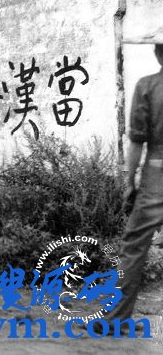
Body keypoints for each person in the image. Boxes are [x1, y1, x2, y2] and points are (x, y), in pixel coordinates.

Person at [101, 43, 163, 334]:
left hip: (157, 175)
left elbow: (137, 141)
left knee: (134, 247)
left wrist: (130, 182)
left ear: (158, 54)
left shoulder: (148, 87)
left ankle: (116, 319)